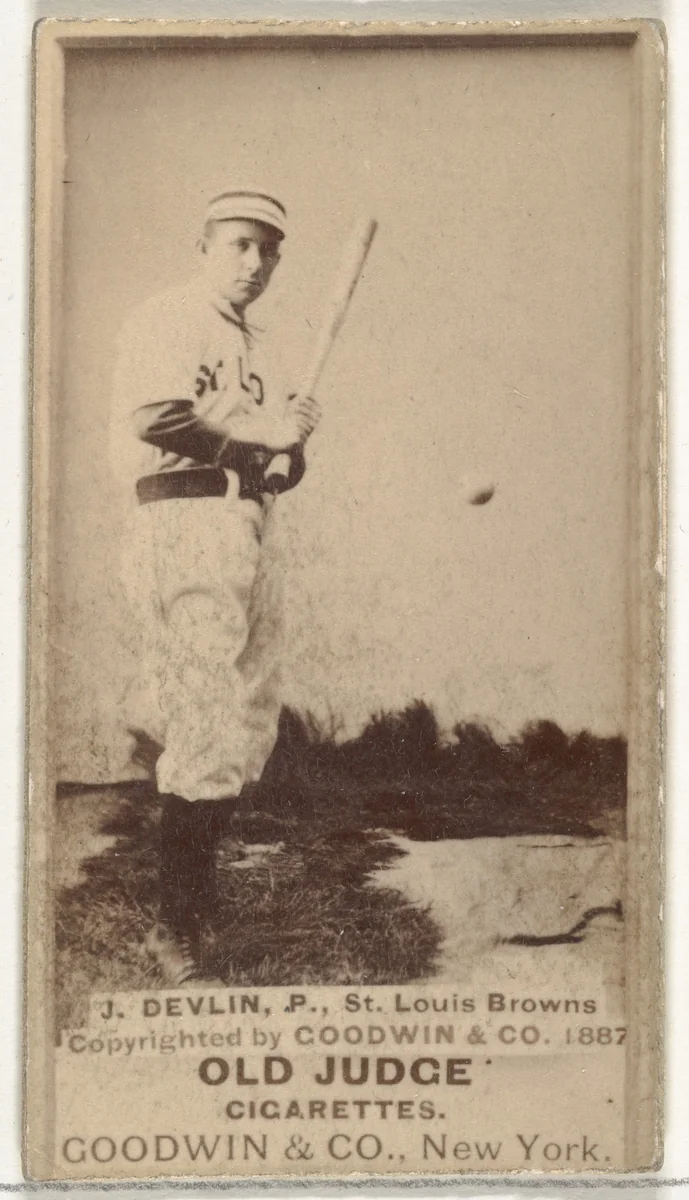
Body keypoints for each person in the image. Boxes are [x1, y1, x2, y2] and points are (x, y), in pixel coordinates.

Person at [111, 189, 321, 985]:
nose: (254, 263)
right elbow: (156, 418)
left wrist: (291, 448)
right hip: (180, 523)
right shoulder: (169, 315)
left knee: (247, 721)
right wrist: (257, 436)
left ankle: (194, 903)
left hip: (245, 524)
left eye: (268, 250)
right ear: (201, 244)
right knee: (203, 716)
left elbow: (267, 464)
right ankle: (173, 930)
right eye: (238, 244)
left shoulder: (260, 349)